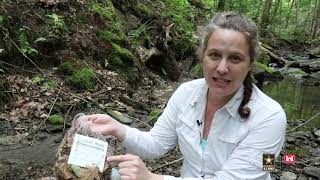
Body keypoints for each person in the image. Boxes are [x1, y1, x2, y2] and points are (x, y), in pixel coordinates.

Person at [85, 12, 287, 180]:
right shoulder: (186, 94)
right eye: (215, 55)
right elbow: (156, 144)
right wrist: (118, 128)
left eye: (235, 58)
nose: (222, 68)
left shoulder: (270, 117)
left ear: (250, 64)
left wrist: (152, 178)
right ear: (202, 56)